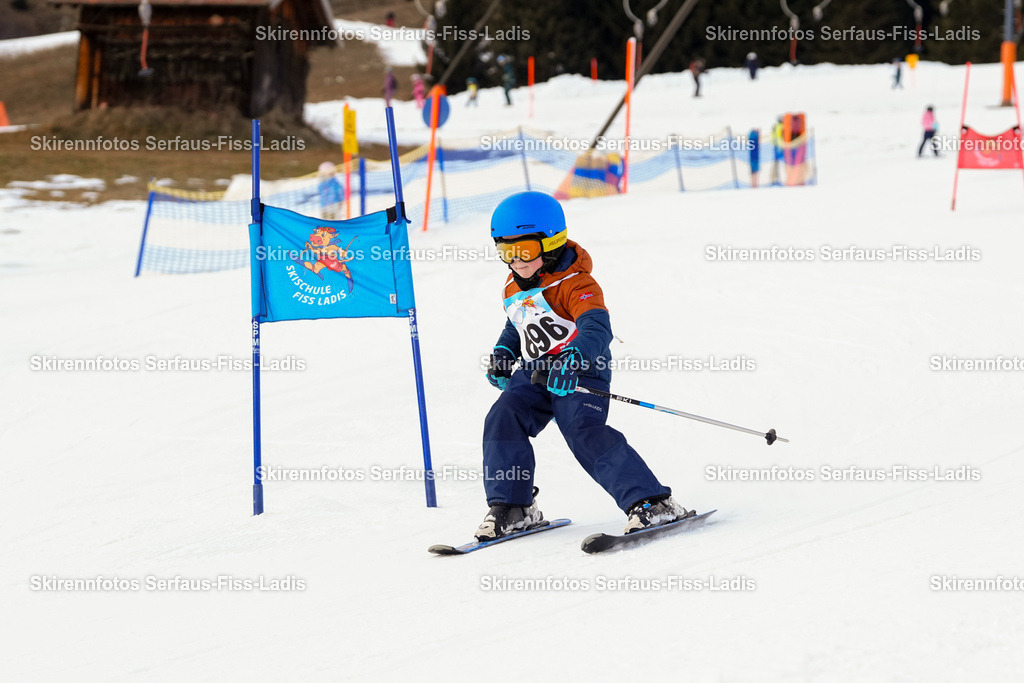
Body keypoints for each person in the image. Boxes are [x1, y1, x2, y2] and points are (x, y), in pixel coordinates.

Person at [476, 191, 689, 541]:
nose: (516, 261)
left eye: (524, 250)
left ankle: (652, 502)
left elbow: (596, 328)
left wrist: (574, 358)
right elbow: (518, 323)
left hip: (580, 370)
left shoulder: (577, 283)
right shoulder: (513, 285)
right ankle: (514, 506)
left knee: (582, 429)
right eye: (505, 252)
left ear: (552, 241)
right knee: (503, 415)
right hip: (536, 372)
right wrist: (503, 351)